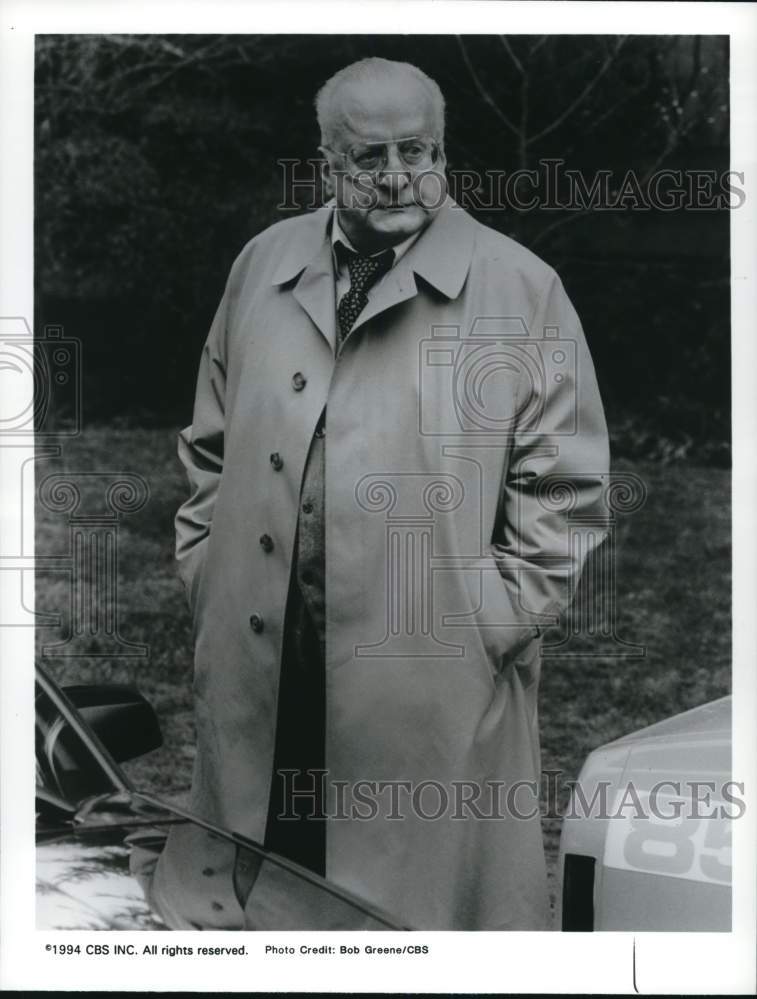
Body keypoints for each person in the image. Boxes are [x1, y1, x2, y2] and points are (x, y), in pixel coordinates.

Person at [143, 57, 609, 930]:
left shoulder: (520, 288)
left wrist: (488, 619)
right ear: (325, 163)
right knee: (258, 879)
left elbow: (567, 487)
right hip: (266, 638)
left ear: (443, 151)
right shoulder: (263, 262)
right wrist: (207, 569)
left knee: (410, 914)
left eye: (418, 150)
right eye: (368, 158)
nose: (397, 176)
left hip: (429, 663)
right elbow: (208, 445)